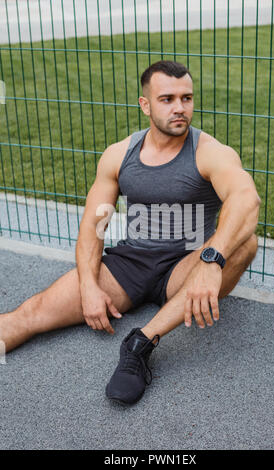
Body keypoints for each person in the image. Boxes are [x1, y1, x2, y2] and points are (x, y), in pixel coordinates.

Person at [0, 61, 260, 406]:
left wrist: (211, 263)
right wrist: (89, 288)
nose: (180, 108)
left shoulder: (210, 152)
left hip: (187, 266)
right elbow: (93, 228)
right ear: (145, 105)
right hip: (130, 265)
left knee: (246, 242)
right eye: (167, 99)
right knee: (32, 313)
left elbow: (247, 199)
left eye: (187, 98)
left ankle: (140, 342)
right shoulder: (119, 155)